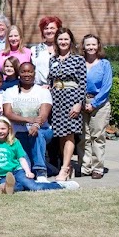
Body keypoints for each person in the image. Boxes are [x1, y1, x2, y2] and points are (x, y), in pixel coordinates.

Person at [0, 117, 75, 192]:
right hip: (2, 176)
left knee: (33, 186)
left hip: (17, 171)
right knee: (9, 187)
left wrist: (28, 171)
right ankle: (8, 187)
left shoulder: (14, 142)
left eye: (3, 129)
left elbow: (21, 158)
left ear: (9, 129)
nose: (0, 131)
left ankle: (60, 185)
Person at [2, 61, 54, 179]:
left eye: (30, 71)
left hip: (42, 130)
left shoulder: (43, 92)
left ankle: (41, 171)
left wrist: (35, 125)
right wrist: (29, 119)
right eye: (23, 72)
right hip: (18, 132)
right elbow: (8, 113)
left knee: (38, 134)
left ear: (34, 73)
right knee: (27, 167)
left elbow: (43, 115)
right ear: (18, 73)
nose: (27, 74)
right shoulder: (10, 91)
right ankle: (50, 169)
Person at [47, 27, 86, 181]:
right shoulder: (53, 59)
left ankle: (63, 169)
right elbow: (51, 81)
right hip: (56, 98)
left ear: (70, 41)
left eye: (66, 39)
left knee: (69, 134)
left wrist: (78, 103)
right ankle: (67, 166)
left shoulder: (78, 59)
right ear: (56, 41)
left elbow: (82, 83)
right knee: (61, 135)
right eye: (60, 39)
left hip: (71, 98)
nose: (63, 42)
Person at [80, 34, 112, 179]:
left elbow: (106, 86)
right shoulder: (79, 62)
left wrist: (93, 104)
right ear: (84, 47)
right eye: (88, 45)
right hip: (81, 103)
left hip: (100, 104)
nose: (91, 47)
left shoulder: (104, 64)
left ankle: (97, 168)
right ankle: (85, 166)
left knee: (97, 136)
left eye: (93, 44)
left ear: (98, 46)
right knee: (84, 137)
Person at [32, 16, 61, 86]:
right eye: (46, 28)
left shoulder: (64, 49)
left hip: (60, 89)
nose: (49, 31)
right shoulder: (35, 50)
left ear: (58, 30)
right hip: (40, 89)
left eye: (52, 28)